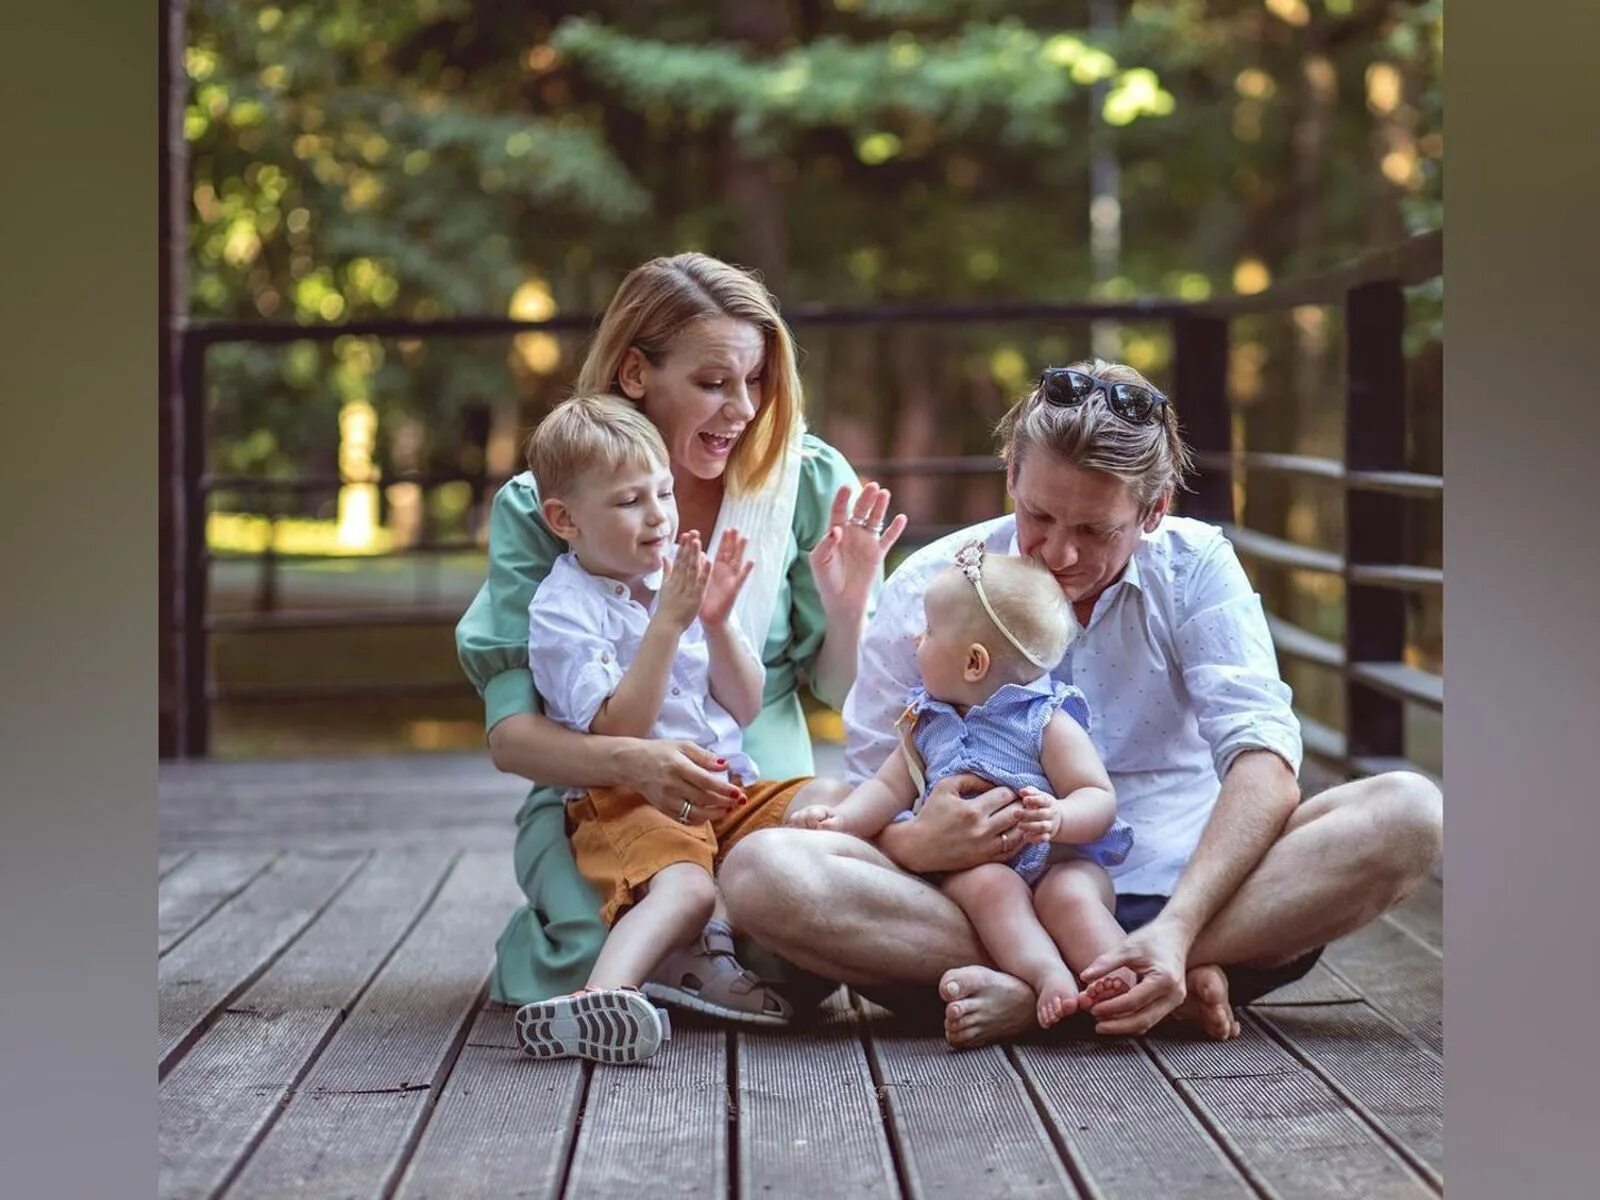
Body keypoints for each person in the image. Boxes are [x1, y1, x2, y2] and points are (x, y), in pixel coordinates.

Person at [721, 360, 1444, 1047]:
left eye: (1094, 530)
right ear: (1010, 475)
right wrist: (916, 842)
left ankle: (1073, 991)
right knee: (763, 871)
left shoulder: (1196, 567)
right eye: (1039, 517)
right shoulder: (936, 586)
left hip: (1192, 899)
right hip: (986, 912)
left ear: (1154, 510)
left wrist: (1178, 930)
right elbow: (880, 782)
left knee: (1408, 813)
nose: (1058, 555)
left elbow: (1264, 763)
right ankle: (1123, 992)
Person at [455, 252, 905, 1016]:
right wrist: (638, 763)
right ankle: (602, 957)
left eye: (755, 380)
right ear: (636, 374)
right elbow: (513, 738)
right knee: (606, 944)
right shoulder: (546, 506)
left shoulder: (806, 480)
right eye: (712, 382)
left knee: (791, 955)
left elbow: (843, 691)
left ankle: (712, 943)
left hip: (753, 781)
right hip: (602, 787)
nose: (743, 409)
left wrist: (851, 603)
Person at [514, 396, 846, 1061]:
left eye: (663, 492)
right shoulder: (564, 608)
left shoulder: (676, 579)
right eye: (629, 501)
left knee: (833, 799)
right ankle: (598, 999)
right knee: (688, 887)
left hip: (725, 788)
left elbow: (744, 706)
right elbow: (619, 729)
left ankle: (722, 954)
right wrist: (667, 625)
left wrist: (719, 621)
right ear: (564, 519)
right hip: (630, 798)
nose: (658, 515)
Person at [787, 543, 1138, 1029]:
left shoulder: (1046, 721)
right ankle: (1048, 975)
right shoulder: (923, 722)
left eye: (929, 631)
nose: (916, 640)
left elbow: (1097, 798)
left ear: (974, 663)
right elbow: (888, 789)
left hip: (1060, 863)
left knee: (1072, 899)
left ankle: (1125, 980)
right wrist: (840, 822)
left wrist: (1060, 817)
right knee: (991, 890)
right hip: (979, 868)